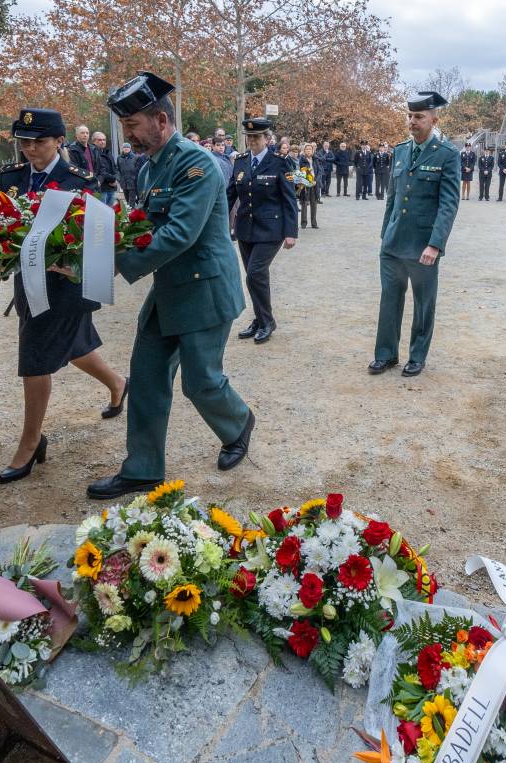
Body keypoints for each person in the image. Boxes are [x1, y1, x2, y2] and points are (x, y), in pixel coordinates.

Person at [87, 72, 255, 500]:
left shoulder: (196, 165)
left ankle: (238, 424)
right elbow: (144, 226)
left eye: (133, 127)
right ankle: (143, 468)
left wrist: (114, 264)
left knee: (200, 383)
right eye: (125, 128)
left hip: (205, 289)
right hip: (169, 290)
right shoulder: (149, 168)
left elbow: (179, 234)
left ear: (161, 120)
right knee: (145, 377)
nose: (129, 136)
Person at [0, 108, 127, 485]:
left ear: (58, 142)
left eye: (39, 141)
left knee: (35, 358)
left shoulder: (79, 181)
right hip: (28, 283)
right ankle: (118, 384)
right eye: (24, 141)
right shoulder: (12, 177)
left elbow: (103, 234)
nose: (30, 149)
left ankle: (31, 441)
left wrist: (70, 260)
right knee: (75, 347)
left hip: (67, 285)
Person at [370, 91, 460, 379]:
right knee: (389, 300)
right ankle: (385, 355)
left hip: (423, 246)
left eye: (419, 116)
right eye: (409, 116)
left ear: (434, 119)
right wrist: (386, 235)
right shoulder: (400, 150)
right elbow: (392, 198)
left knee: (423, 303)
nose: (412, 121)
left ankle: (417, 355)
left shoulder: (447, 155)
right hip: (394, 243)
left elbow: (448, 205)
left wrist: (435, 244)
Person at [227, 116, 298, 344]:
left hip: (271, 229)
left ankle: (267, 321)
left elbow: (289, 199)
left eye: (256, 137)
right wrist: (216, 220)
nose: (252, 141)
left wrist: (291, 232)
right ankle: (260, 319)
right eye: (249, 137)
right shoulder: (240, 161)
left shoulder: (280, 162)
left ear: (267, 139)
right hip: (246, 228)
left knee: (255, 273)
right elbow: (230, 195)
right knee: (254, 276)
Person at [298, 142, 320, 229]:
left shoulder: (315, 159)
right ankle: (303, 223)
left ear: (312, 151)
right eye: (306, 149)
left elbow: (319, 171)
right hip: (305, 184)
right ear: (304, 151)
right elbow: (300, 172)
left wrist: (316, 181)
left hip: (314, 183)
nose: (308, 151)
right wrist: (308, 180)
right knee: (304, 203)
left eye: (310, 149)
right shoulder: (301, 160)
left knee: (314, 203)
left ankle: (314, 223)